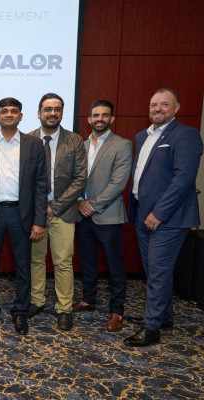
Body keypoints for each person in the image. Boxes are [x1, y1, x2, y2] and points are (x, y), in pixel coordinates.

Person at [124, 88, 202, 346]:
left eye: (164, 104)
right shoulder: (142, 136)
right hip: (143, 215)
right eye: (154, 104)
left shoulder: (186, 135)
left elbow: (183, 179)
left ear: (176, 108)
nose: (158, 108)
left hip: (167, 218)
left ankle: (151, 328)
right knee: (154, 270)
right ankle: (162, 316)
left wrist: (159, 213)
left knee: (158, 272)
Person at [0, 97, 47, 335]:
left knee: (23, 267)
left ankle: (21, 312)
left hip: (21, 214)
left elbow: (41, 185)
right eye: (4, 111)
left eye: (13, 111)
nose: (8, 114)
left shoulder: (34, 144)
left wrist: (39, 220)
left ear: (21, 116)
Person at [28, 93, 87, 331]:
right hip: (35, 214)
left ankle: (64, 309)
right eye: (48, 109)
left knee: (63, 262)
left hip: (63, 212)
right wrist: (40, 209)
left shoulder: (74, 140)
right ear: (39, 113)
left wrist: (54, 206)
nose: (52, 113)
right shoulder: (28, 139)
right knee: (35, 260)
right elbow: (23, 179)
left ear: (62, 112)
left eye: (57, 109)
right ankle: (37, 300)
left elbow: (80, 178)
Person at [73, 100, 132, 332]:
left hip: (107, 215)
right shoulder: (81, 145)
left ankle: (117, 310)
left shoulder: (122, 145)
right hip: (82, 214)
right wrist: (80, 201)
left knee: (114, 265)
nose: (100, 119)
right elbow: (74, 178)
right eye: (95, 115)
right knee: (87, 260)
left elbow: (119, 182)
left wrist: (93, 206)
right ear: (89, 119)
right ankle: (89, 299)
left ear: (112, 119)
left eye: (104, 115)